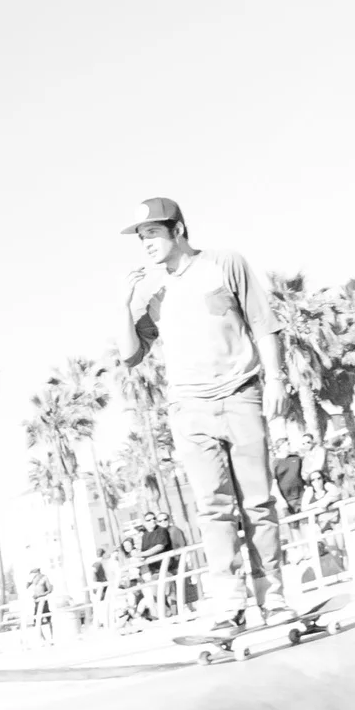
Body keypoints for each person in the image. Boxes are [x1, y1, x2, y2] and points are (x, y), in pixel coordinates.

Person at [121, 196, 292, 630]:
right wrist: (124, 307)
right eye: (142, 237)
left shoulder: (225, 263)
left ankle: (271, 596)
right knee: (213, 507)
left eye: (154, 234)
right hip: (189, 407)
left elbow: (262, 321)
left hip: (240, 394)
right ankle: (230, 602)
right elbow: (131, 356)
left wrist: (275, 379)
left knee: (257, 502)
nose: (147, 244)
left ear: (178, 230)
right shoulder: (149, 288)